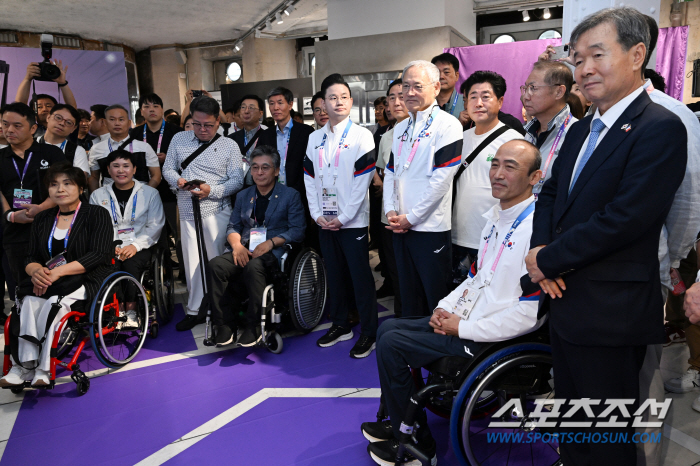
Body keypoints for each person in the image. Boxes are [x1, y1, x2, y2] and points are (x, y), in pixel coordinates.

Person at [525, 8, 687, 466]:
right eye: (578, 59)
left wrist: (549, 259)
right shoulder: (580, 132)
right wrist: (539, 253)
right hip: (564, 301)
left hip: (611, 312)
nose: (585, 69)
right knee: (574, 428)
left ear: (637, 55)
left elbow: (626, 218)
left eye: (597, 54)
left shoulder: (660, 128)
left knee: (607, 436)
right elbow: (551, 193)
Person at [363, 140, 545, 466]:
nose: (498, 174)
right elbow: (475, 279)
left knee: (392, 342)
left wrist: (464, 326)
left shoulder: (537, 230)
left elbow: (529, 314)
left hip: (495, 338)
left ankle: (418, 442)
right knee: (388, 327)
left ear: (535, 177)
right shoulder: (495, 218)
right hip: (470, 320)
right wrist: (444, 308)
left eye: (510, 167)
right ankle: (400, 422)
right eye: (495, 164)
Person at [0, 163, 113, 388]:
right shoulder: (43, 218)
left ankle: (43, 367)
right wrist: (36, 272)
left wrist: (55, 273)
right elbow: (30, 256)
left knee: (54, 303)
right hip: (49, 279)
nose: (60, 189)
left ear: (81, 188)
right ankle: (22, 366)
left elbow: (99, 254)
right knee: (27, 301)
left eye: (67, 183)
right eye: (54, 185)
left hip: (87, 276)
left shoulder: (96, 214)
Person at [304, 73, 377, 358]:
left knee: (360, 277)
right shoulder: (314, 139)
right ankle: (340, 323)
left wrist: (344, 217)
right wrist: (316, 214)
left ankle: (369, 331)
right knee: (334, 275)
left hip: (352, 221)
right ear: (323, 102)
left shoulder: (362, 136)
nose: (339, 102)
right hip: (324, 220)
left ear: (351, 100)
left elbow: (363, 181)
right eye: (332, 98)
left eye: (344, 97)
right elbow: (309, 178)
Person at [383, 60, 463, 318]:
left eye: (417, 86)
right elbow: (391, 172)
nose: (409, 93)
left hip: (429, 228)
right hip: (399, 226)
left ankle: (436, 355)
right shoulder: (401, 128)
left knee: (434, 298)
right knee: (407, 295)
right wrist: (390, 211)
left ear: (436, 87)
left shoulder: (448, 125)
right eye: (406, 86)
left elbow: (441, 179)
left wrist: (412, 218)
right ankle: (411, 351)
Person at [206, 145, 305, 347]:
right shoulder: (244, 195)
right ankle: (224, 326)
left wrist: (271, 243)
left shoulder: (290, 195)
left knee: (254, 266)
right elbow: (233, 226)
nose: (259, 172)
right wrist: (237, 246)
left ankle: (254, 326)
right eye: (255, 167)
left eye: (265, 167)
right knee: (216, 265)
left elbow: (297, 230)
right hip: (245, 248)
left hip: (273, 251)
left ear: (276, 171)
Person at [162, 96, 243, 331]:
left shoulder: (229, 145)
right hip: (187, 209)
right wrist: (178, 180)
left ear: (218, 121)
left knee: (217, 263)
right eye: (196, 124)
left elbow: (237, 180)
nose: (202, 130)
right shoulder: (179, 138)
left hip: (217, 210)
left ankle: (221, 310)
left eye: (208, 125)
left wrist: (211, 191)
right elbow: (167, 167)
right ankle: (195, 309)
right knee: (191, 263)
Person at [452, 71, 522, 279]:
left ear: (500, 101)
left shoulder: (513, 141)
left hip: (493, 237)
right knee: (458, 300)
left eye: (485, 96)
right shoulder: (458, 138)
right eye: (472, 97)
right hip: (456, 234)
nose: (478, 103)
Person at [90, 150, 164, 324]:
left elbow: (155, 225)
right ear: (108, 170)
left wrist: (135, 246)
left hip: (140, 244)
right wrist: (109, 246)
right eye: (115, 166)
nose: (121, 170)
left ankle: (130, 310)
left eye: (125, 166)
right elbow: (95, 227)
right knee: (111, 265)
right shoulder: (97, 195)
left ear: (134, 169)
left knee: (130, 264)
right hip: (110, 246)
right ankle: (116, 310)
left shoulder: (149, 193)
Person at [0, 102, 66, 288]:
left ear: (33, 128)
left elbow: (65, 186)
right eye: (5, 124)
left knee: (55, 284)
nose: (9, 130)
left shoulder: (51, 153)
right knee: (22, 287)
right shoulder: (1, 157)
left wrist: (41, 208)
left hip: (52, 227)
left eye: (17, 125)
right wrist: (11, 216)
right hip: (15, 232)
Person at [258, 87, 317, 249]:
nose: (275, 107)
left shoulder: (306, 132)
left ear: (290, 104)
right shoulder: (266, 135)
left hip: (300, 195)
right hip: (273, 196)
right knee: (276, 238)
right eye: (271, 103)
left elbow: (311, 167)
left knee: (300, 240)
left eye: (280, 103)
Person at [129, 93, 183, 243]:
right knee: (154, 236)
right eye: (146, 106)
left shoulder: (177, 132)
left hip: (170, 192)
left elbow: (187, 160)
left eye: (155, 106)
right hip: (145, 190)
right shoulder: (135, 134)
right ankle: (165, 265)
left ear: (162, 109)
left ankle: (184, 266)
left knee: (179, 235)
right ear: (141, 111)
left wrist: (170, 158)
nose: (151, 110)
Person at [521, 61, 578, 196]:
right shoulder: (529, 132)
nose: (526, 96)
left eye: (533, 88)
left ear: (559, 92)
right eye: (525, 88)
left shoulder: (575, 133)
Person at [375, 79, 407, 315]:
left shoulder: (431, 131)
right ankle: (401, 317)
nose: (396, 102)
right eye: (391, 98)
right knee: (396, 271)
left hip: (417, 216)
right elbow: (382, 172)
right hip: (391, 216)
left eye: (401, 95)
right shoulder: (386, 136)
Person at [88, 105, 162, 191]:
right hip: (108, 198)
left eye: (121, 119)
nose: (117, 123)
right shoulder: (97, 149)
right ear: (105, 122)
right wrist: (96, 198)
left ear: (129, 123)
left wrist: (145, 194)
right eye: (112, 119)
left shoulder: (144, 147)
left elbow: (156, 175)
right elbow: (94, 177)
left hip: (140, 196)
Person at [15, 60, 77, 139]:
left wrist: (62, 83)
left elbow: (72, 109)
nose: (45, 109)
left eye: (49, 106)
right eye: (39, 107)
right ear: (32, 112)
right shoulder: (29, 129)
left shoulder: (66, 127)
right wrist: (27, 79)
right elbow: (19, 107)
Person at [37, 104, 90, 176]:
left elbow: (80, 179)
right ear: (48, 117)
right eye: (58, 118)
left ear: (73, 129)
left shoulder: (77, 150)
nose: (62, 123)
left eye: (68, 122)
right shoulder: (30, 143)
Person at [229, 94, 266, 188]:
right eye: (243, 107)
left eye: (251, 108)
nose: (246, 111)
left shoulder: (268, 136)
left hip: (262, 187)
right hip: (238, 189)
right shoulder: (231, 139)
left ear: (261, 113)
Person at [431, 52, 467, 126]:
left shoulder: (466, 103)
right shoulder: (426, 103)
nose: (441, 76)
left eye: (446, 72)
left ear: (456, 76)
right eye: (437, 72)